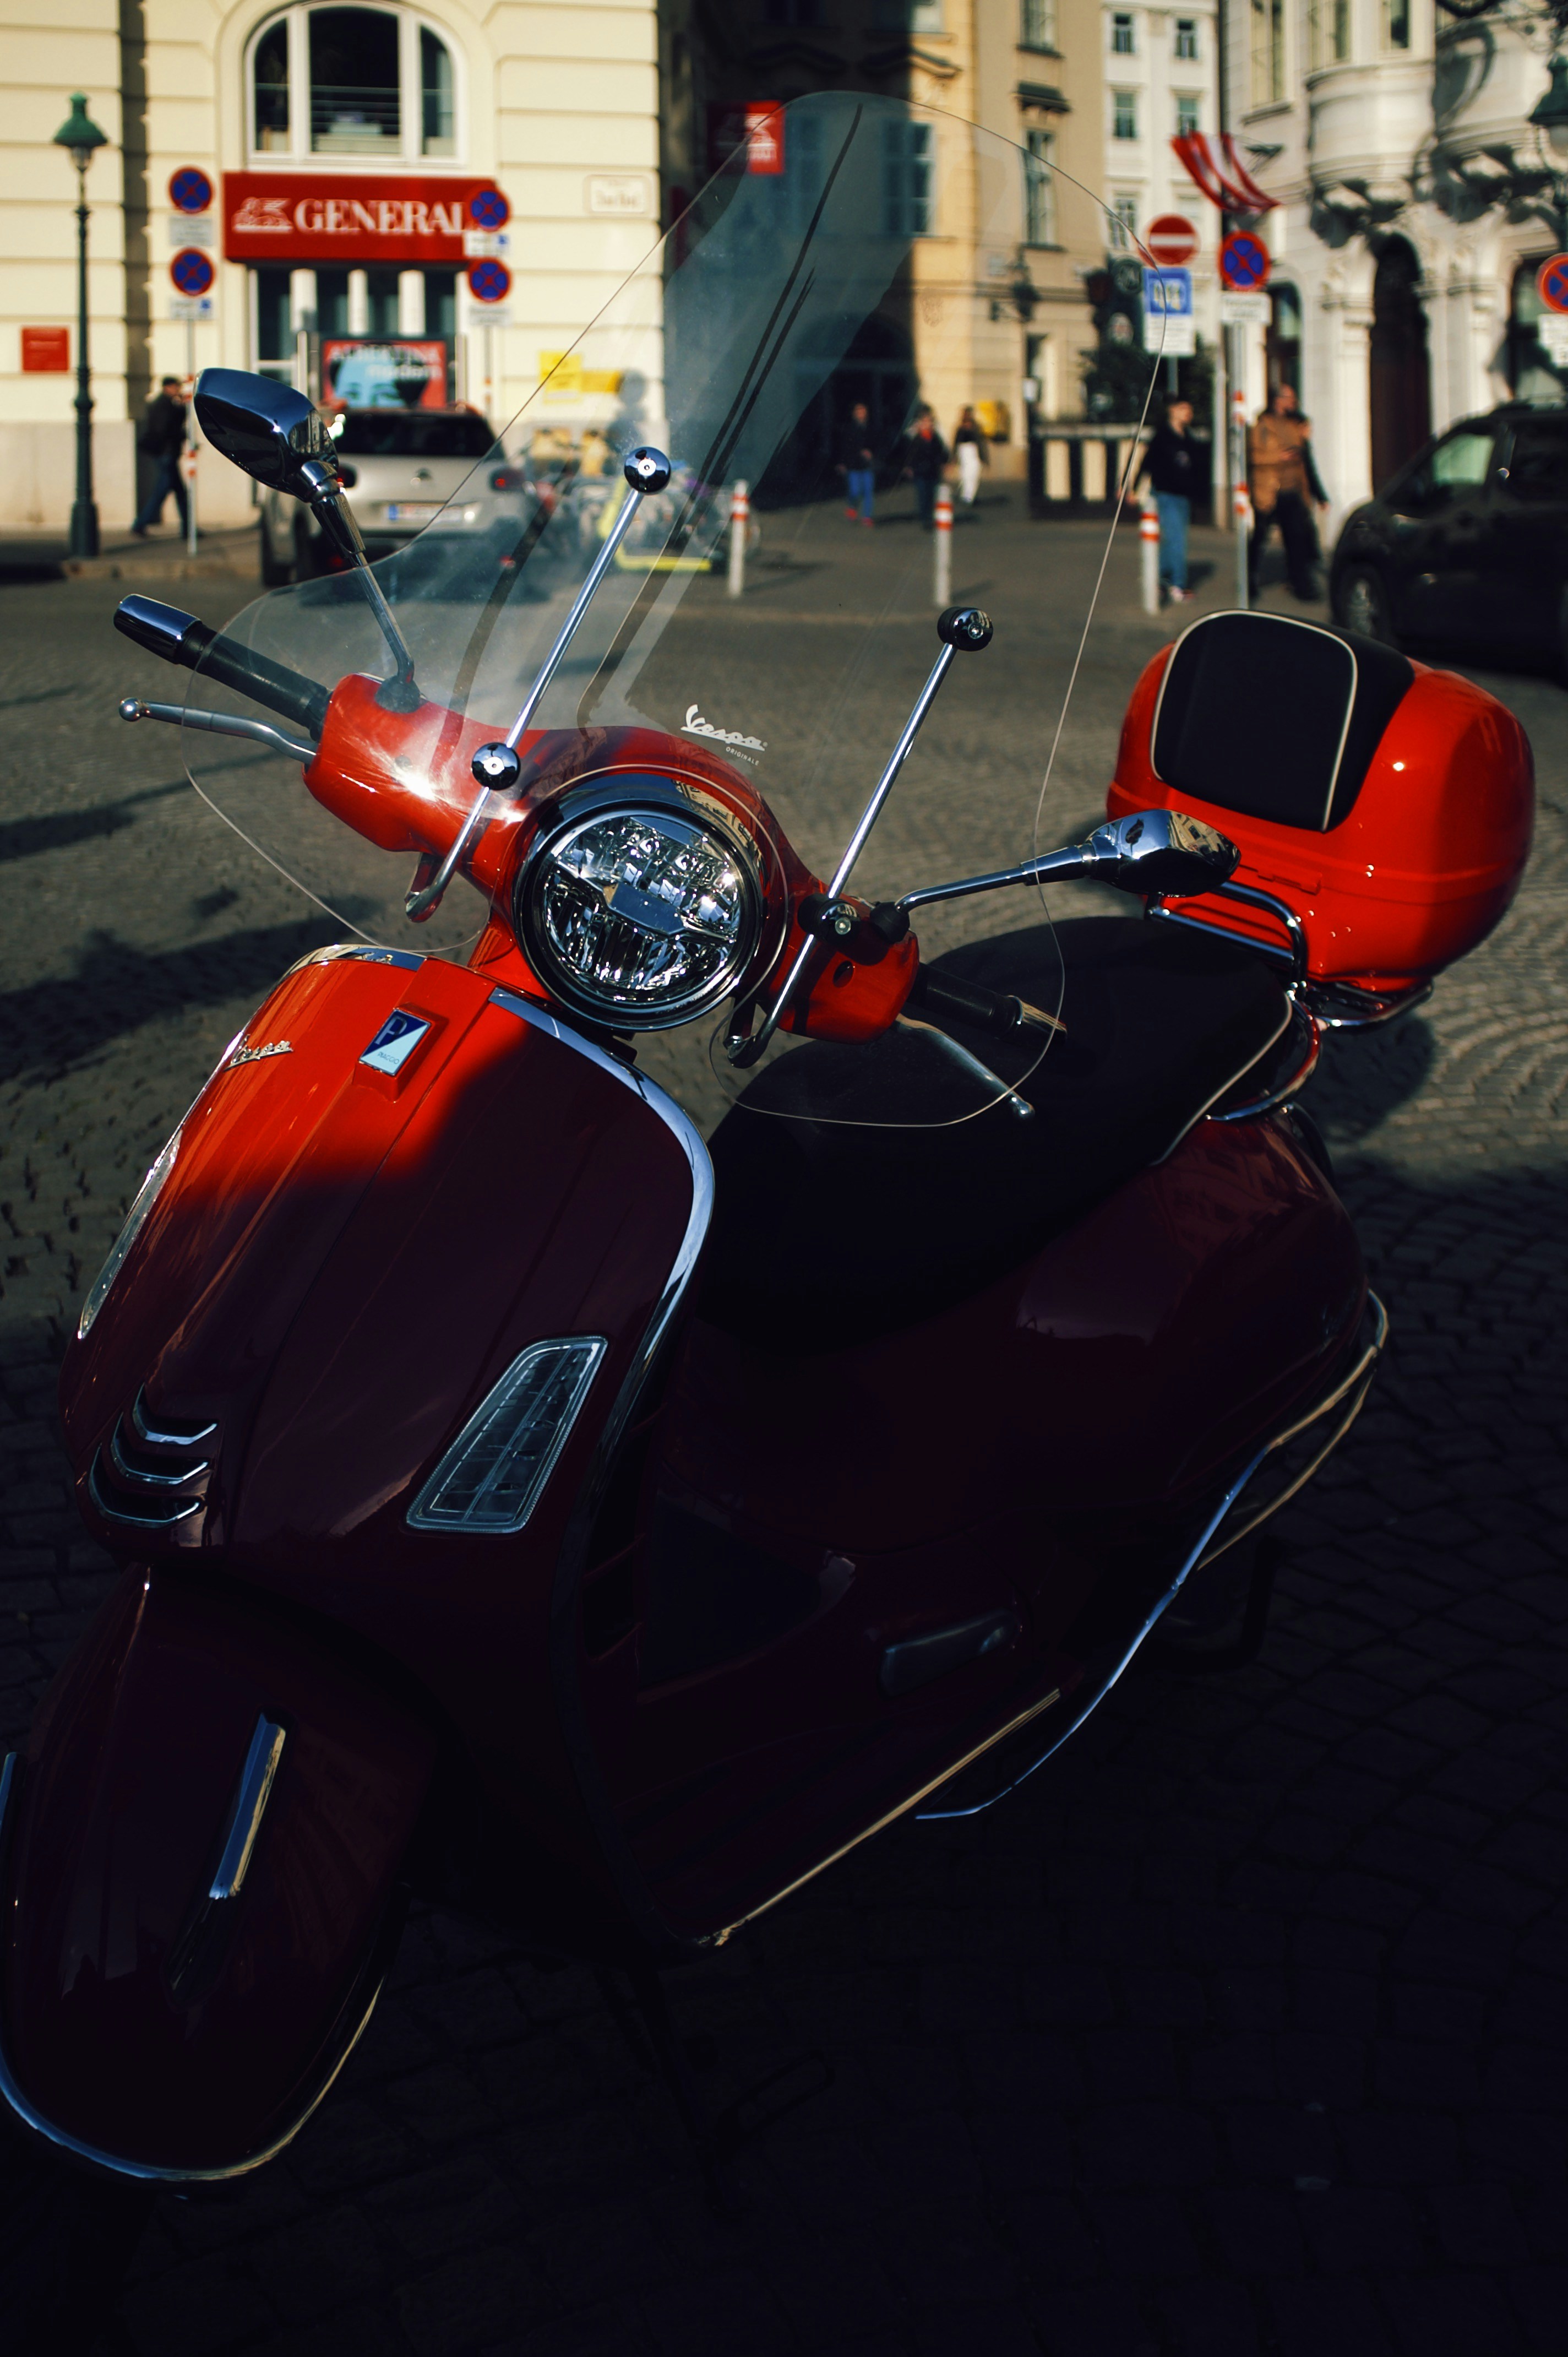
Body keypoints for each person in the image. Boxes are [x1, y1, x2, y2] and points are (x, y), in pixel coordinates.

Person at [1248, 383, 1329, 601]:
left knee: (1296, 538)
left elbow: (1307, 461)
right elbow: (1253, 458)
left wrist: (1319, 494)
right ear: (1278, 400)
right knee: (1260, 537)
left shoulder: (1295, 426)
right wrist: (1279, 458)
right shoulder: (1262, 426)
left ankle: (1301, 585)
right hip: (1270, 490)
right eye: (1289, 399)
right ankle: (1249, 580)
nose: (1293, 403)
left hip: (1293, 490)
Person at [1135, 396, 1198, 604]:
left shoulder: (1188, 436)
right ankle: (1178, 585)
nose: (1188, 413)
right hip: (1166, 494)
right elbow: (1146, 462)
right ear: (1172, 410)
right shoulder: (1162, 436)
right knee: (1177, 538)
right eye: (1183, 408)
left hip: (1184, 496)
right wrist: (1133, 487)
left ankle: (1159, 579)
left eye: (1189, 409)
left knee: (1173, 539)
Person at [130, 377, 189, 537]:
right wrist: (182, 412)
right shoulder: (164, 405)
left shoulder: (164, 404)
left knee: (180, 492)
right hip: (166, 453)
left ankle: (188, 529)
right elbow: (167, 429)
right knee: (162, 491)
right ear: (168, 387)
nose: (178, 390)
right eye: (176, 387)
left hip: (167, 453)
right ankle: (140, 524)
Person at [901, 406, 949, 529]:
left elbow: (942, 452)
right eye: (925, 422)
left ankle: (928, 515)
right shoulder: (916, 438)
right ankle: (925, 518)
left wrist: (945, 463)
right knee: (922, 494)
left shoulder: (935, 438)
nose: (927, 424)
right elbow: (910, 454)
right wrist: (908, 467)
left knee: (931, 495)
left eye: (929, 422)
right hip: (920, 471)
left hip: (933, 471)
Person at [836, 402, 876, 526]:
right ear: (855, 413)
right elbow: (844, 447)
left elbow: (879, 444)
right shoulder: (849, 428)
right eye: (859, 411)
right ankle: (852, 507)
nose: (861, 413)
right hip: (853, 465)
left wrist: (872, 452)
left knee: (868, 491)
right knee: (855, 491)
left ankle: (867, 517)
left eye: (863, 411)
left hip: (867, 465)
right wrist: (842, 463)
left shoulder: (872, 428)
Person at [953, 405, 989, 507]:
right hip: (964, 453)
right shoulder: (960, 429)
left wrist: (984, 458)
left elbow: (981, 443)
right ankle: (966, 496)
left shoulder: (976, 428)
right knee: (965, 475)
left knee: (973, 475)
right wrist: (954, 458)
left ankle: (970, 497)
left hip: (974, 453)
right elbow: (956, 444)